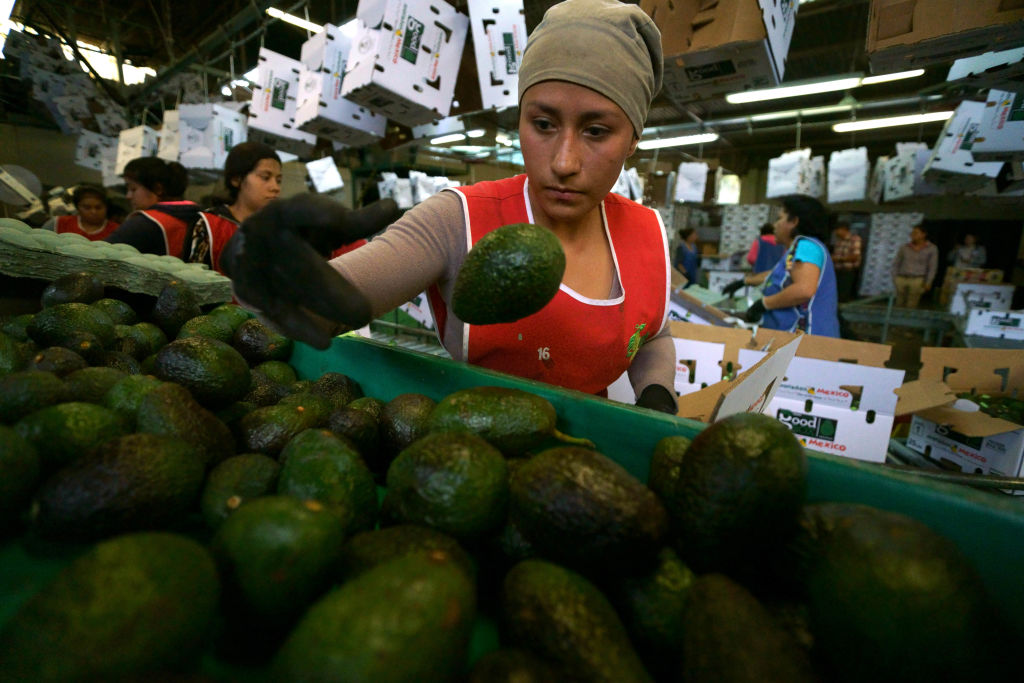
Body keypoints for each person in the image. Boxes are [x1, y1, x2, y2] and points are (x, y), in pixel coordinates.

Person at [222, 0, 679, 414]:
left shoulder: (646, 233)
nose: (564, 162)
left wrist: (657, 390)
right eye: (543, 124)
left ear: (633, 139)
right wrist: (267, 270)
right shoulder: (458, 220)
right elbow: (320, 304)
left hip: (591, 457)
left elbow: (654, 332)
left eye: (596, 131)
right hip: (468, 451)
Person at [722, 194, 839, 337]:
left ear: (794, 221)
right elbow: (779, 276)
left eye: (779, 218)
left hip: (807, 339)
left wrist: (765, 303)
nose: (774, 225)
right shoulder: (799, 248)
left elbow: (804, 290)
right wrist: (745, 281)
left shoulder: (806, 246)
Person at [186, 142, 282, 274]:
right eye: (265, 177)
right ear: (236, 180)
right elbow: (193, 280)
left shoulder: (279, 230)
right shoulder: (209, 225)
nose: (275, 187)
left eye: (278, 180)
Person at [106, 157, 201, 257]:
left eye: (133, 189)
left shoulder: (144, 224)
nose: (128, 196)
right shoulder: (195, 217)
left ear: (158, 189)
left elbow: (101, 255)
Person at [40, 184, 119, 240]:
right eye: (87, 207)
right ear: (77, 207)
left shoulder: (118, 231)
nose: (93, 212)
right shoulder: (57, 224)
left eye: (98, 207)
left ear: (106, 207)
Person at [891, 224, 938, 308]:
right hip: (902, 278)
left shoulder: (931, 248)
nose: (912, 235)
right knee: (899, 303)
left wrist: (928, 282)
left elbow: (932, 267)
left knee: (912, 304)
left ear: (923, 234)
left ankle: (907, 317)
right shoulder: (904, 247)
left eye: (916, 233)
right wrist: (895, 278)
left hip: (917, 280)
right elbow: (896, 263)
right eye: (912, 233)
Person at [830, 222, 862, 303]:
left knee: (843, 294)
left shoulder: (854, 239)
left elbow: (855, 257)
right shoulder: (839, 241)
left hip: (847, 270)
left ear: (843, 229)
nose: (836, 232)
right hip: (837, 270)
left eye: (837, 230)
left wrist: (838, 259)